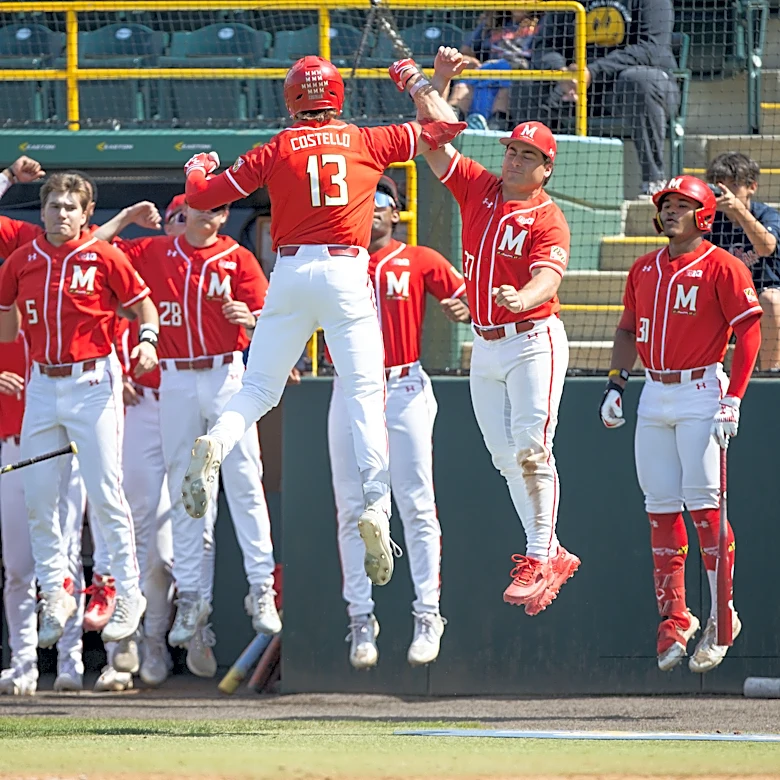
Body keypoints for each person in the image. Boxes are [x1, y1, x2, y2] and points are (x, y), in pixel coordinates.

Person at [179, 54, 466, 592]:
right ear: (337, 98)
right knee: (364, 394)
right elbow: (446, 127)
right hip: (346, 271)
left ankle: (216, 441)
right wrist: (415, 80)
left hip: (289, 272)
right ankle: (377, 509)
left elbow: (201, 195)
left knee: (258, 387)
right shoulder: (366, 140)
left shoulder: (277, 146)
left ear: (293, 101)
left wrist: (198, 163)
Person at [421, 47, 581, 614]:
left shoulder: (548, 215)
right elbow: (433, 143)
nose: (513, 159)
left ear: (546, 167)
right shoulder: (481, 189)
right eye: (511, 149)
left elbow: (548, 275)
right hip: (484, 347)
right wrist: (438, 79)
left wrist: (523, 296)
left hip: (534, 338)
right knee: (502, 456)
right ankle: (552, 551)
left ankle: (539, 552)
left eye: (527, 154)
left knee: (533, 450)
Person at [599, 175, 762, 672]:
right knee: (661, 510)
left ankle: (722, 616)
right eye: (666, 203)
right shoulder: (643, 268)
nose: (671, 211)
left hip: (700, 392)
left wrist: (732, 399)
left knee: (707, 508)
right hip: (653, 392)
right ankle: (675, 618)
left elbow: (749, 333)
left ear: (704, 213)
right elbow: (628, 329)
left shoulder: (724, 266)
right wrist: (616, 383)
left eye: (683, 204)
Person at [0, 172, 159, 651]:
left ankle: (128, 593)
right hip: (42, 383)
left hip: (93, 380)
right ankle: (56, 592)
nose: (61, 214)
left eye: (71, 207)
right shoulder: (21, 260)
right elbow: (7, 329)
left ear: (87, 214)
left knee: (105, 490)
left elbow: (144, 308)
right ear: (42, 210)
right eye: (53, 206)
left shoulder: (105, 255)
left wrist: (148, 342)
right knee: (38, 495)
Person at [118, 200, 281, 650]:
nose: (208, 216)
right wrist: (129, 217)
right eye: (198, 207)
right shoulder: (154, 252)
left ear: (226, 215)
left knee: (245, 480)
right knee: (188, 488)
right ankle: (191, 597)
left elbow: (274, 319)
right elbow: (91, 249)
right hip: (174, 375)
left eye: (217, 208)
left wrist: (251, 320)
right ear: (182, 212)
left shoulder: (238, 257)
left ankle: (261, 588)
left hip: (225, 373)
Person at [329, 175, 469, 669]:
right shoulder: (332, 264)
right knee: (351, 506)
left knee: (416, 502)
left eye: (381, 204)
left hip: (404, 386)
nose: (372, 213)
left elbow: (467, 295)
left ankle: (428, 613)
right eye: (364, 204)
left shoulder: (419, 259)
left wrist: (464, 306)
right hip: (348, 387)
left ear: (395, 213)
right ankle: (360, 618)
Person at [0, 334, 88, 694]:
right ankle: (23, 664)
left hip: (61, 451)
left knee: (67, 559)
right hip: (13, 448)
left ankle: (71, 660)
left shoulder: (62, 324)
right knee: (18, 566)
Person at [526, 0, 678, 197]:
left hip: (640, 87)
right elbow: (544, 46)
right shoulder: (573, 3)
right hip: (582, 88)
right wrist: (562, 73)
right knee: (527, 86)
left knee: (640, 80)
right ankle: (531, 180)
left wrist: (593, 71)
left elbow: (651, 49)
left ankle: (654, 181)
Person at [705, 152, 780, 371]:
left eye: (734, 185)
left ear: (752, 187)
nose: (727, 192)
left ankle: (770, 375)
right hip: (727, 301)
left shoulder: (767, 215)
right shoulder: (710, 221)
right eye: (721, 186)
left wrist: (739, 211)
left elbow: (766, 247)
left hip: (762, 298)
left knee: (772, 300)